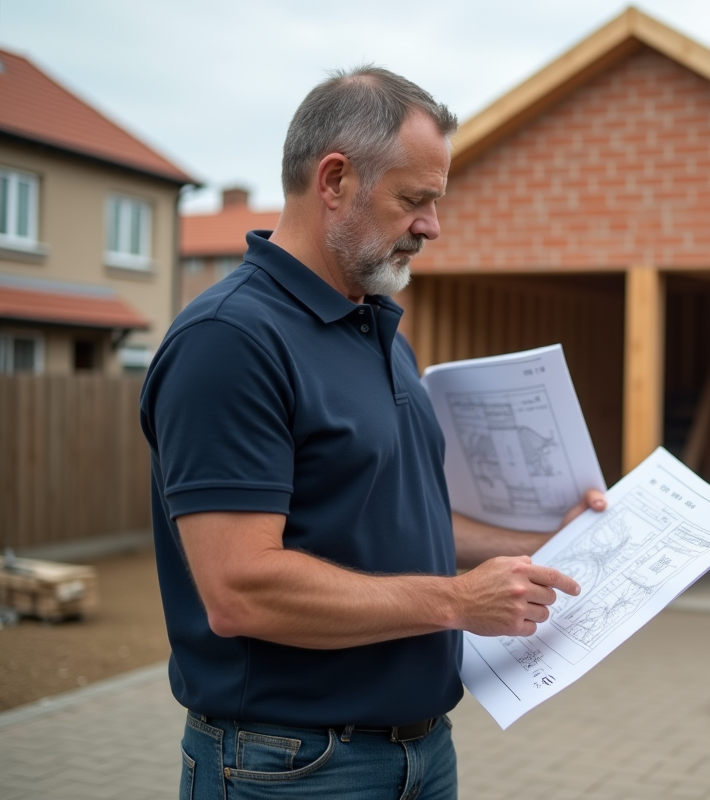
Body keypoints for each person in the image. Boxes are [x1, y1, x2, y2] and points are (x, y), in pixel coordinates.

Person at [139, 66, 605, 800]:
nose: (432, 226)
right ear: (334, 180)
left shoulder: (377, 329)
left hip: (421, 754)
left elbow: (401, 525)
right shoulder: (229, 341)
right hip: (291, 768)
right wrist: (456, 601)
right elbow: (240, 590)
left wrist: (550, 543)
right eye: (414, 200)